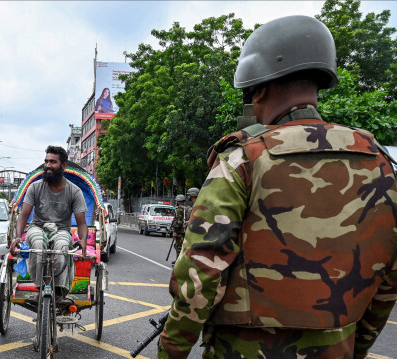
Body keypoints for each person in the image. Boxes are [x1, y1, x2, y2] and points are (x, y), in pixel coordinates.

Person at [159, 15, 397, 359]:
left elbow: (200, 273)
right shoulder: (380, 161)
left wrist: (171, 351)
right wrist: (353, 346)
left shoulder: (244, 159)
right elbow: (389, 276)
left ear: (260, 87)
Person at [9, 145, 88, 302]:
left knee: (64, 246)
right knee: (38, 244)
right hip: (37, 227)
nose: (48, 165)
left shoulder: (74, 191)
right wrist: (18, 237)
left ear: (63, 165)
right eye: (46, 162)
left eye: (53, 162)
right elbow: (24, 215)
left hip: (61, 230)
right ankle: (40, 288)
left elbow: (81, 222)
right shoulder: (35, 187)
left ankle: (59, 292)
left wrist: (83, 241)